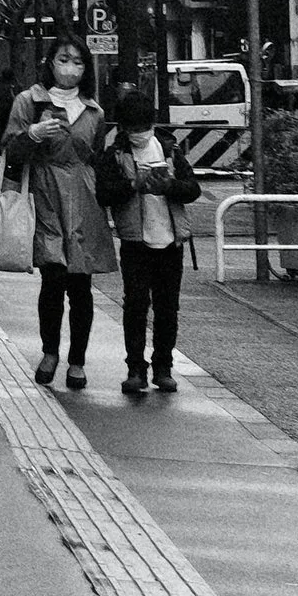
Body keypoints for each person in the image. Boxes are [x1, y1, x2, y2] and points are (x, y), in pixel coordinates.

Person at [4, 35, 114, 389]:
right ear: (50, 62)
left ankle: (77, 361)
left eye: (79, 62)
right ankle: (50, 352)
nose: (71, 68)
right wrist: (32, 134)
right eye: (64, 59)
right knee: (52, 279)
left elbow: (96, 156)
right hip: (45, 193)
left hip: (84, 198)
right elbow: (9, 150)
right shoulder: (29, 101)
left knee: (82, 284)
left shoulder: (94, 110)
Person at [98, 83, 198, 399]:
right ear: (124, 128)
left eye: (144, 126)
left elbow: (192, 189)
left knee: (168, 307)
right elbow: (102, 194)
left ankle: (163, 367)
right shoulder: (114, 155)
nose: (140, 133)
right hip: (135, 243)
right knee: (136, 306)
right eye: (134, 128)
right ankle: (135, 369)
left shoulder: (170, 150)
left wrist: (169, 185)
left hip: (171, 243)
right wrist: (132, 184)